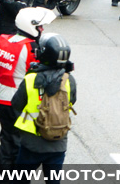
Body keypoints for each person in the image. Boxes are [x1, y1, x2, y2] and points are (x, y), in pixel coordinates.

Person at [0, 7, 56, 181]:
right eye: (40, 26)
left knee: (6, 144)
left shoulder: (4, 40)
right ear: (31, 26)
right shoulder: (31, 48)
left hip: (3, 98)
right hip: (20, 102)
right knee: (20, 147)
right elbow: (39, 77)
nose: (42, 29)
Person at [12, 33, 76, 184]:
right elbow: (72, 101)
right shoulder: (69, 80)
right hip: (58, 143)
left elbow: (16, 105)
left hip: (31, 144)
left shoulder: (30, 79)